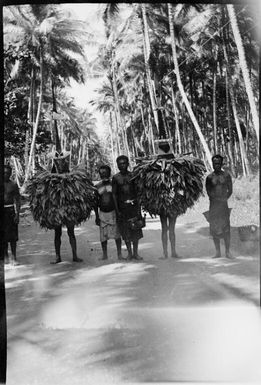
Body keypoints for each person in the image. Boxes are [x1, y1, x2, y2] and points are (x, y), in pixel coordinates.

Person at [50, 152, 82, 264]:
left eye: (61, 162)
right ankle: (57, 257)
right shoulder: (50, 178)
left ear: (64, 162)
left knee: (71, 232)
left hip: (69, 209)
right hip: (56, 209)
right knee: (57, 233)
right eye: (57, 162)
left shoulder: (71, 176)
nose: (59, 164)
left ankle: (75, 255)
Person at [112, 155, 143, 261]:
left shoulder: (133, 175)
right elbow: (114, 195)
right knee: (125, 231)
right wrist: (117, 210)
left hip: (133, 207)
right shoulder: (116, 178)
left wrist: (139, 208)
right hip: (122, 208)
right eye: (120, 164)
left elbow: (137, 192)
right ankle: (129, 253)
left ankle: (135, 253)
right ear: (117, 165)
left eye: (124, 163)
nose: (122, 166)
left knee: (136, 230)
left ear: (128, 164)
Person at [206, 154, 234, 259]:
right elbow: (208, 191)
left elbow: (230, 190)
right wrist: (215, 199)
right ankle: (218, 252)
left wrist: (224, 198)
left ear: (221, 164)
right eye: (214, 163)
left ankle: (227, 252)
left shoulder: (226, 176)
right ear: (212, 164)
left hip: (223, 206)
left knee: (226, 229)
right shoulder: (209, 177)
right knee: (214, 228)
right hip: (213, 206)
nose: (216, 165)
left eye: (218, 163)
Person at [94, 165, 123, 261]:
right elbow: (95, 202)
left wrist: (119, 212)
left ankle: (119, 254)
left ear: (109, 173)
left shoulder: (113, 184)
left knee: (117, 235)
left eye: (105, 172)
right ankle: (104, 255)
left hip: (113, 213)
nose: (103, 174)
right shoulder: (97, 186)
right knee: (103, 237)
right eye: (101, 173)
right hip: (102, 214)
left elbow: (118, 199)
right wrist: (97, 216)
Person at [4, 164, 21, 266]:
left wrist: (17, 214)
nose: (6, 175)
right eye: (5, 173)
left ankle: (14, 257)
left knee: (13, 237)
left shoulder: (13, 185)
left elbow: (18, 200)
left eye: (8, 173)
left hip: (10, 211)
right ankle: (5, 256)